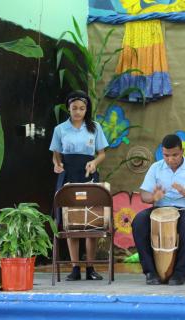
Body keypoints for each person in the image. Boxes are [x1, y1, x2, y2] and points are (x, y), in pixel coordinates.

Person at [132, 134, 185, 285]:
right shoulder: (156, 168)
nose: (170, 159)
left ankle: (179, 273)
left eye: (174, 155)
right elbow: (144, 195)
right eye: (166, 155)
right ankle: (150, 272)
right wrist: (153, 197)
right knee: (139, 221)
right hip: (160, 210)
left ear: (182, 151)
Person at [49, 90, 109, 281]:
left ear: (86, 109)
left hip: (88, 174)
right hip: (68, 175)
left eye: (82, 108)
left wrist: (94, 163)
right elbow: (56, 153)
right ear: (68, 108)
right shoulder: (60, 129)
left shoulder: (95, 127)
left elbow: (102, 153)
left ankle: (90, 268)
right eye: (74, 108)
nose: (78, 112)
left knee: (91, 221)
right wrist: (57, 164)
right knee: (71, 222)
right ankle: (75, 268)